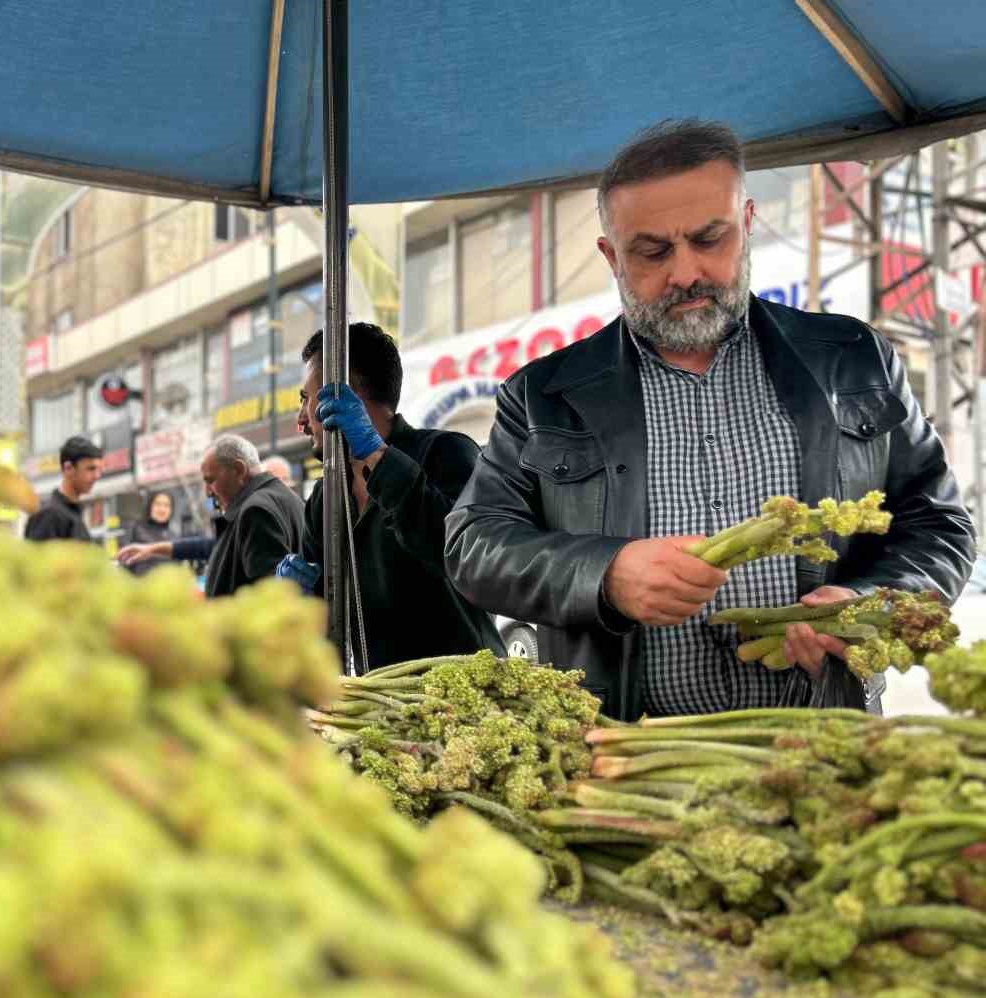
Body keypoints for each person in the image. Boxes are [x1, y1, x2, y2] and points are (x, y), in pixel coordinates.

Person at [446, 119, 974, 720]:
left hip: (824, 740)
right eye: (653, 251)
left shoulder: (853, 359)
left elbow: (939, 524)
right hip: (626, 760)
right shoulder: (542, 395)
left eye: (710, 238)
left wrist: (868, 606)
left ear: (747, 223)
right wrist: (606, 573)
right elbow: (474, 544)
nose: (686, 272)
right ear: (610, 254)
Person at [279, 322, 503, 668]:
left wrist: (375, 454)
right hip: (383, 702)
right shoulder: (324, 497)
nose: (300, 420)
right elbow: (327, 623)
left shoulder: (446, 453)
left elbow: (464, 557)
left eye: (306, 399)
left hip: (466, 691)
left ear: (343, 394)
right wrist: (302, 598)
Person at [119, 435, 303, 597]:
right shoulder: (276, 500)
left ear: (238, 470)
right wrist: (153, 549)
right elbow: (216, 547)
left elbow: (270, 597)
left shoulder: (257, 511)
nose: (208, 492)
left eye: (210, 480)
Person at [25, 435, 103, 542]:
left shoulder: (73, 513)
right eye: (91, 469)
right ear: (68, 468)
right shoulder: (50, 515)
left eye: (99, 469)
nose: (97, 476)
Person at [122, 490, 176, 575]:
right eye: (158, 504)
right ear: (150, 506)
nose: (162, 509)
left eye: (167, 505)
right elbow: (124, 563)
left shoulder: (174, 536)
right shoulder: (136, 528)